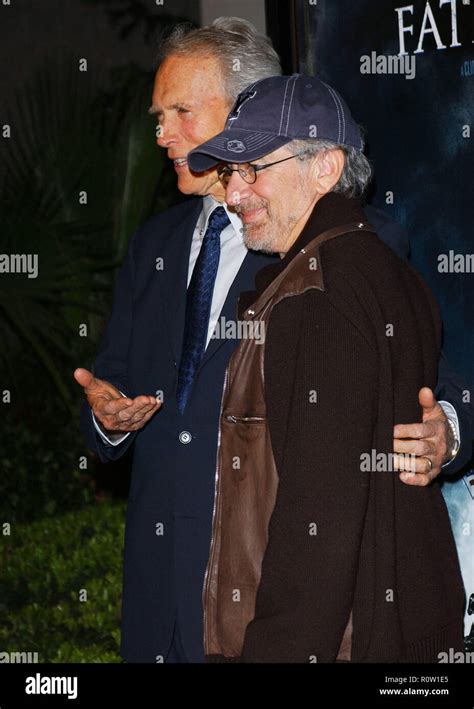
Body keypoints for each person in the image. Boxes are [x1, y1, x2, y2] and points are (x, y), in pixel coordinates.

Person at [73, 18, 470, 663]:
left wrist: (446, 428)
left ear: (246, 109)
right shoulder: (153, 248)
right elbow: (113, 382)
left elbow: (422, 372)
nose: (162, 133)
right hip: (163, 607)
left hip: (271, 610)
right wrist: (110, 420)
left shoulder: (334, 249)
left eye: (180, 110)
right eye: (157, 116)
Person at [188, 73, 466, 663]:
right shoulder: (385, 270)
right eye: (229, 174)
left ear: (326, 168)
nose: (234, 195)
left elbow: (319, 521)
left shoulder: (314, 293)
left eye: (253, 169)